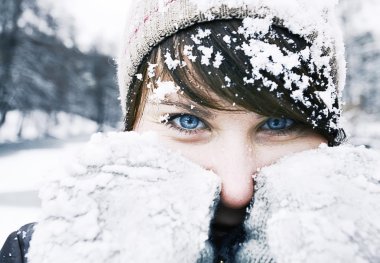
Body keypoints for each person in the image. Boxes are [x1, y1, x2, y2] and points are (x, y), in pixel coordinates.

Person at [2, 0, 379, 262]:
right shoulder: (35, 254)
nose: (236, 189)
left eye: (277, 124)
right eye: (188, 121)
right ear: (132, 125)